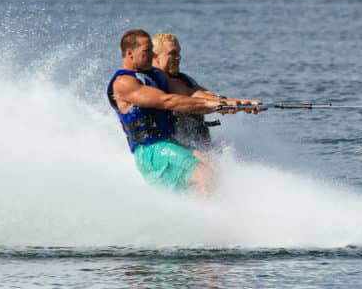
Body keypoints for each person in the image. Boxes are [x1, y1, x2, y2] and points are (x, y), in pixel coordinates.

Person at [107, 29, 257, 195]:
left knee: (211, 165)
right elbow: (167, 101)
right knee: (205, 175)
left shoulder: (157, 75)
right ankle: (204, 218)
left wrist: (233, 104)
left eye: (152, 50)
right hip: (151, 151)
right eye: (146, 51)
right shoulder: (123, 82)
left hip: (170, 144)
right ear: (129, 53)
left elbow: (190, 93)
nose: (151, 54)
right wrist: (211, 106)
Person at [151, 32, 216, 150]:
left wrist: (227, 102)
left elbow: (203, 93)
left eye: (179, 53)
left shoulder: (184, 79)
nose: (179, 57)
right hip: (166, 144)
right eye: (172, 53)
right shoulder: (148, 83)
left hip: (197, 141)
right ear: (155, 56)